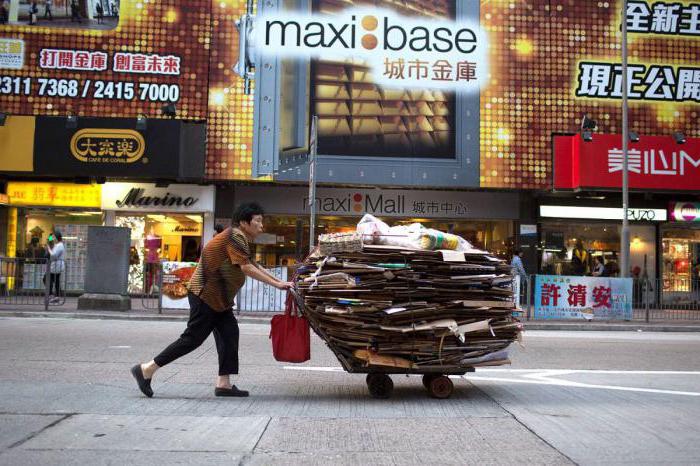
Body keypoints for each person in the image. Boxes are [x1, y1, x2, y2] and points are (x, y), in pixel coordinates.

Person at [131, 202, 293, 398]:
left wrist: (282, 282)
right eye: (257, 221)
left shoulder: (239, 238)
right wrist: (277, 285)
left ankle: (223, 384)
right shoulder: (235, 236)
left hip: (219, 300)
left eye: (261, 221)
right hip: (205, 295)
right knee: (192, 339)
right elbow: (247, 268)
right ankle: (146, 369)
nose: (261, 226)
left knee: (229, 334)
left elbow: (253, 264)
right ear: (244, 222)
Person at [45, 231, 65, 304]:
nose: (53, 238)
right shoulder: (57, 244)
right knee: (55, 281)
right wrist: (50, 236)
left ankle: (52, 295)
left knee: (48, 279)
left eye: (54, 237)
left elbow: (53, 255)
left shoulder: (59, 245)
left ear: (57, 237)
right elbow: (49, 239)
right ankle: (56, 296)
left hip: (56, 266)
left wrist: (48, 248)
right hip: (55, 266)